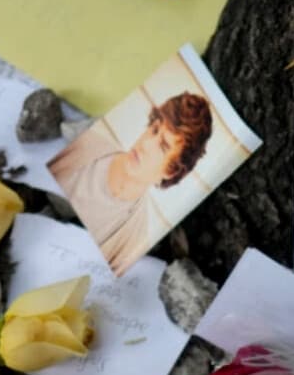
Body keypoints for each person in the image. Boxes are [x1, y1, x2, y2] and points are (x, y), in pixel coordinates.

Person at [50, 93, 213, 275]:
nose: (146, 144)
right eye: (154, 129)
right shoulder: (85, 148)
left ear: (170, 171)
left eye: (163, 146)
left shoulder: (134, 237)